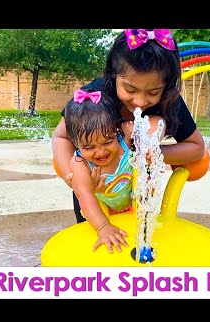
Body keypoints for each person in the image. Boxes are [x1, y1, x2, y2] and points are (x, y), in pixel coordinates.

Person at [53, 28, 205, 224]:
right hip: (96, 191)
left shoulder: (169, 100)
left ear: (165, 86)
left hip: (137, 190)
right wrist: (73, 177)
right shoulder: (96, 96)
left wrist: (147, 153)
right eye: (130, 89)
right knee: (95, 243)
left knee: (139, 240)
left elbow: (196, 148)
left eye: (153, 91)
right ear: (113, 74)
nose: (141, 101)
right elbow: (61, 136)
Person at [64, 88, 165, 254]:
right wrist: (103, 226)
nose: (101, 152)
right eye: (89, 147)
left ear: (116, 129)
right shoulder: (79, 163)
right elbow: (85, 197)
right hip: (106, 211)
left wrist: (150, 144)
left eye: (107, 141)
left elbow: (157, 122)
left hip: (136, 204)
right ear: (74, 141)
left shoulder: (124, 135)